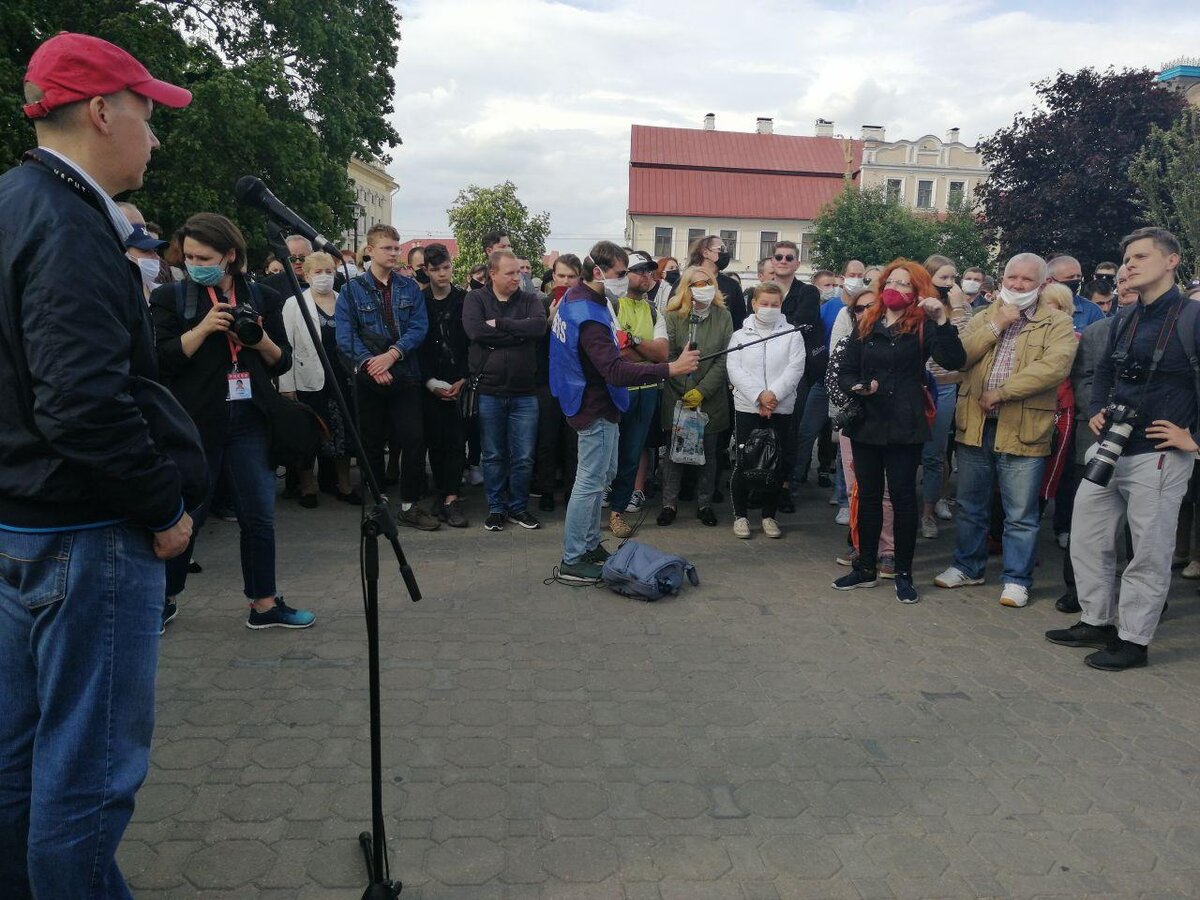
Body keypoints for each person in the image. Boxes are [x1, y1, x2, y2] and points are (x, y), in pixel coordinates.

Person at [0, 33, 196, 898]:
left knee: (19, 762)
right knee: (85, 778)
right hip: (84, 535)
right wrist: (164, 510)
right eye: (148, 116)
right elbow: (82, 403)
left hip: (21, 523)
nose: (155, 138)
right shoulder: (70, 224)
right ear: (102, 111)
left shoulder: (13, 201)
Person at [150, 212, 315, 630]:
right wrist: (203, 328)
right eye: (187, 255)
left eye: (203, 256)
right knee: (189, 516)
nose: (193, 263)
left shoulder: (260, 297)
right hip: (195, 423)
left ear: (230, 255)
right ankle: (162, 600)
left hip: (250, 420)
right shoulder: (170, 298)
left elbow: (282, 363)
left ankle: (263, 604)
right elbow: (161, 361)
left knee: (259, 514)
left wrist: (259, 341)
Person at [1047, 228, 1197, 670]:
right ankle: (1096, 620)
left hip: (1160, 453)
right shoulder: (1125, 319)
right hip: (1110, 447)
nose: (1129, 265)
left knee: (1148, 551)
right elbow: (1103, 374)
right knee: (1088, 538)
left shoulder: (1192, 318)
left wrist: (1195, 439)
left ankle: (1133, 639)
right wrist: (1096, 410)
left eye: (1140, 257)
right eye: (1127, 258)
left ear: (1171, 261)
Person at [934, 253, 1077, 608]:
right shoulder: (984, 315)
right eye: (1011, 277)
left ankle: (1016, 579)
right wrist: (996, 324)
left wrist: (1002, 392)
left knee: (1021, 513)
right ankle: (968, 566)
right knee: (969, 505)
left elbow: (1053, 368)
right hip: (976, 426)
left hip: (1024, 427)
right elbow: (959, 357)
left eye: (1026, 280)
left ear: (1043, 285)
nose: (1016, 285)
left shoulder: (1056, 323)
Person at [550, 241, 699, 582]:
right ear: (599, 272)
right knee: (588, 484)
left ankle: (588, 545)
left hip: (591, 401)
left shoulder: (586, 299)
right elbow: (614, 370)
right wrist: (670, 369)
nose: (626, 278)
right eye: (620, 273)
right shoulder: (587, 314)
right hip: (593, 405)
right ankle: (574, 557)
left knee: (596, 478)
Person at [832, 260, 966, 603]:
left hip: (905, 422)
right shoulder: (868, 321)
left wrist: (942, 319)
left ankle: (903, 572)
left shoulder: (924, 325)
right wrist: (858, 386)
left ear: (918, 291)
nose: (895, 287)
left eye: (905, 283)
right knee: (870, 497)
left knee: (904, 499)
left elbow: (953, 360)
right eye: (891, 281)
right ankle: (865, 567)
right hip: (867, 422)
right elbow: (845, 369)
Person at [335, 224, 440, 530]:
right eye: (387, 248)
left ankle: (409, 504)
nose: (394, 253)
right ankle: (377, 502)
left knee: (413, 439)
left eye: (397, 248)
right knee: (370, 443)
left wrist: (391, 355)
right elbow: (345, 337)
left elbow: (419, 327)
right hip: (369, 380)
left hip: (405, 375)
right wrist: (370, 365)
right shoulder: (350, 291)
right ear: (370, 250)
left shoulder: (409, 288)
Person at [1056, 268, 1140, 613]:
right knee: (1086, 518)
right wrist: (1097, 409)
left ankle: (1142, 600)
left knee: (1138, 528)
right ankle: (1078, 589)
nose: (1128, 291)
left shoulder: (1176, 328)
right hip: (1093, 432)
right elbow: (1084, 376)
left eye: (1133, 286)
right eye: (1122, 285)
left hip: (1146, 439)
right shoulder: (1096, 332)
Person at [463, 249, 547, 531]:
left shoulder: (530, 299)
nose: (517, 277)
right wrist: (517, 334)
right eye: (510, 273)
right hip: (489, 390)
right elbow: (475, 332)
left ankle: (518, 508)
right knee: (494, 454)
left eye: (519, 272)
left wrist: (500, 324)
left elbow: (537, 328)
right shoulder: (475, 299)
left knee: (524, 456)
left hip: (525, 392)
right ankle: (496, 508)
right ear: (493, 274)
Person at [278, 251, 360, 506]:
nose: (324, 277)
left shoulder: (343, 300)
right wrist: (286, 385)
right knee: (308, 433)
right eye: (318, 272)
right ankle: (307, 487)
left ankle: (344, 485)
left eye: (328, 272)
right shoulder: (294, 304)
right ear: (306, 274)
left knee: (343, 434)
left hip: (342, 378)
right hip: (307, 378)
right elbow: (286, 346)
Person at [727, 281, 807, 538]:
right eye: (764, 303)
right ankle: (741, 516)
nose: (769, 308)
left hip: (780, 407)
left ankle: (769, 516)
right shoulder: (740, 335)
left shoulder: (792, 334)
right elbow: (735, 369)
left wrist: (773, 396)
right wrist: (758, 396)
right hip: (747, 406)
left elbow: (795, 368)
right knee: (745, 460)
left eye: (775, 304)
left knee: (776, 463)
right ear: (753, 304)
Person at [657, 266, 734, 527]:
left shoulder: (723, 316)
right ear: (686, 289)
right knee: (673, 453)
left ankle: (705, 504)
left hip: (710, 397)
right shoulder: (673, 316)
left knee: (709, 453)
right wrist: (682, 386)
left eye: (707, 283)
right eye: (697, 284)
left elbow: (724, 358)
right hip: (676, 394)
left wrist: (701, 390)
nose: (703, 288)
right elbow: (667, 356)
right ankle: (669, 503)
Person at [607, 250, 669, 537]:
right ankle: (597, 506)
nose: (647, 276)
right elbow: (617, 353)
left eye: (650, 271)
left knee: (632, 454)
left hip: (646, 392)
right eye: (640, 270)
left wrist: (632, 342)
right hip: (616, 390)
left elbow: (662, 354)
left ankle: (617, 512)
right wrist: (643, 352)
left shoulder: (654, 309)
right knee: (606, 454)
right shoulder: (611, 305)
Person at [416, 243, 470, 527]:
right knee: (435, 440)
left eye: (446, 268)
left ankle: (452, 496)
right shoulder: (419, 301)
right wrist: (429, 381)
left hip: (460, 379)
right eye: (435, 269)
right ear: (426, 270)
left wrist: (464, 377)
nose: (442, 274)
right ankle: (441, 494)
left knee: (456, 441)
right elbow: (415, 345)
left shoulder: (464, 299)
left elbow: (470, 342)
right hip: (428, 380)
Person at [919, 255, 972, 538]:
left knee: (935, 452)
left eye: (954, 278)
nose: (950, 284)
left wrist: (959, 309)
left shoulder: (962, 308)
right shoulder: (919, 306)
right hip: (916, 385)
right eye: (943, 278)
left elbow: (961, 350)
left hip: (946, 385)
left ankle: (928, 512)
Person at [533, 254, 583, 512]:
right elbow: (531, 341)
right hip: (546, 380)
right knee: (547, 438)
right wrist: (548, 322)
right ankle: (547, 490)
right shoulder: (540, 302)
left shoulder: (583, 304)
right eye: (561, 275)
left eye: (571, 276)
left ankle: (573, 490)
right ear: (553, 276)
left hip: (575, 382)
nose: (565, 281)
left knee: (572, 440)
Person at [687, 233, 748, 329]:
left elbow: (739, 321)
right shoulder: (686, 281)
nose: (726, 253)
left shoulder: (732, 285)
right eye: (721, 249)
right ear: (705, 253)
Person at [1047, 254, 1105, 334]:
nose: (1076, 280)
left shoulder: (1092, 311)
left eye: (1078, 276)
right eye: (1070, 277)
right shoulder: (1035, 308)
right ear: (1050, 281)